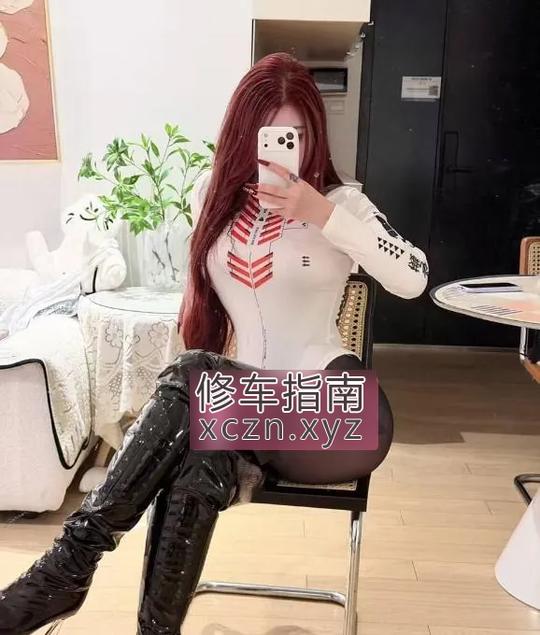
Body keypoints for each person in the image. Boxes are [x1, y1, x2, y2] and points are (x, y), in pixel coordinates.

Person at [0, 52, 428, 635]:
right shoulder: (214, 195)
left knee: (196, 375)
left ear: (315, 135)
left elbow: (414, 277)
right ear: (242, 135)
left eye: (297, 135)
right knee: (199, 454)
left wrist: (324, 213)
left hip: (341, 413)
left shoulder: (342, 202)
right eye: (268, 136)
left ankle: (66, 568)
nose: (284, 150)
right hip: (245, 413)